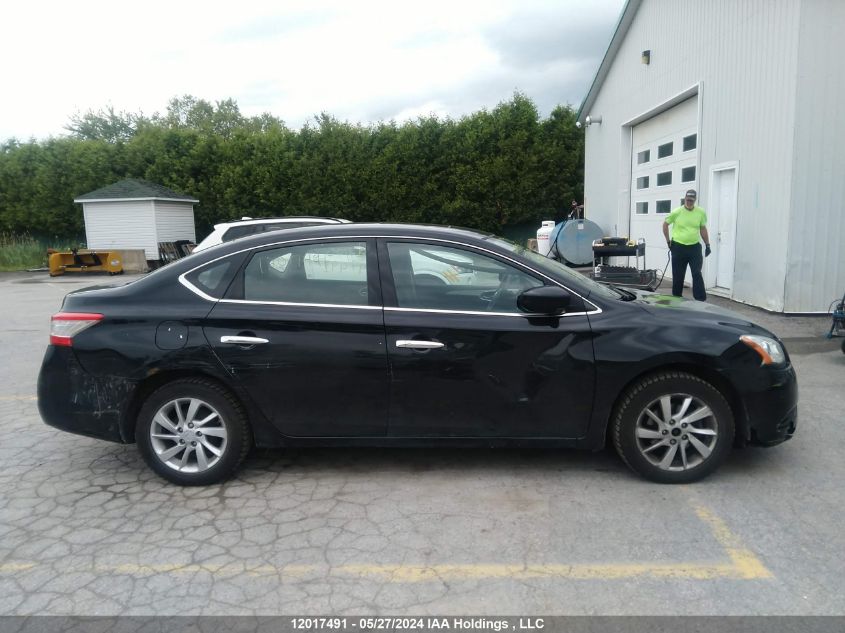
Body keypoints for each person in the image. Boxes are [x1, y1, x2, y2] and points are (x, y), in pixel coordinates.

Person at [662, 189, 711, 301]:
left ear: (695, 200)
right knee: (678, 275)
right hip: (678, 247)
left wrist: (707, 244)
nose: (689, 202)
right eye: (688, 200)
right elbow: (665, 225)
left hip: (694, 248)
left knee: (697, 273)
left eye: (692, 201)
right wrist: (668, 241)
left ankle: (700, 300)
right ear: (685, 199)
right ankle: (677, 299)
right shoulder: (677, 212)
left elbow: (702, 228)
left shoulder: (700, 212)